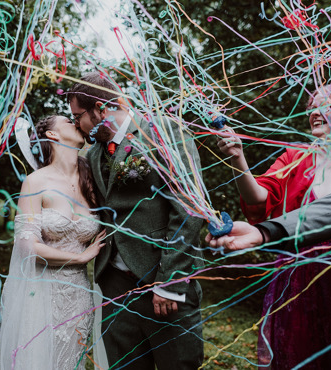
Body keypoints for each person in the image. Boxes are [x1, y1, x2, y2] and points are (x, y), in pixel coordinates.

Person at [207, 65, 331, 368]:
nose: (317, 112)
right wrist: (262, 229)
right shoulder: (300, 156)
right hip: (302, 272)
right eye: (313, 107)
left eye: (329, 106)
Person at [68, 72, 205, 369]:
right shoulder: (92, 154)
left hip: (162, 281)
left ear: (103, 109)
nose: (77, 124)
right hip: (115, 288)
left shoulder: (165, 133)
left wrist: (169, 282)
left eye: (80, 116)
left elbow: (189, 209)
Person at [0, 115, 106, 369]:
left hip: (79, 295)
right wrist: (80, 257)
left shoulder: (91, 179)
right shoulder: (35, 181)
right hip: (42, 292)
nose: (76, 123)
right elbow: (26, 245)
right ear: (53, 135)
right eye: (68, 120)